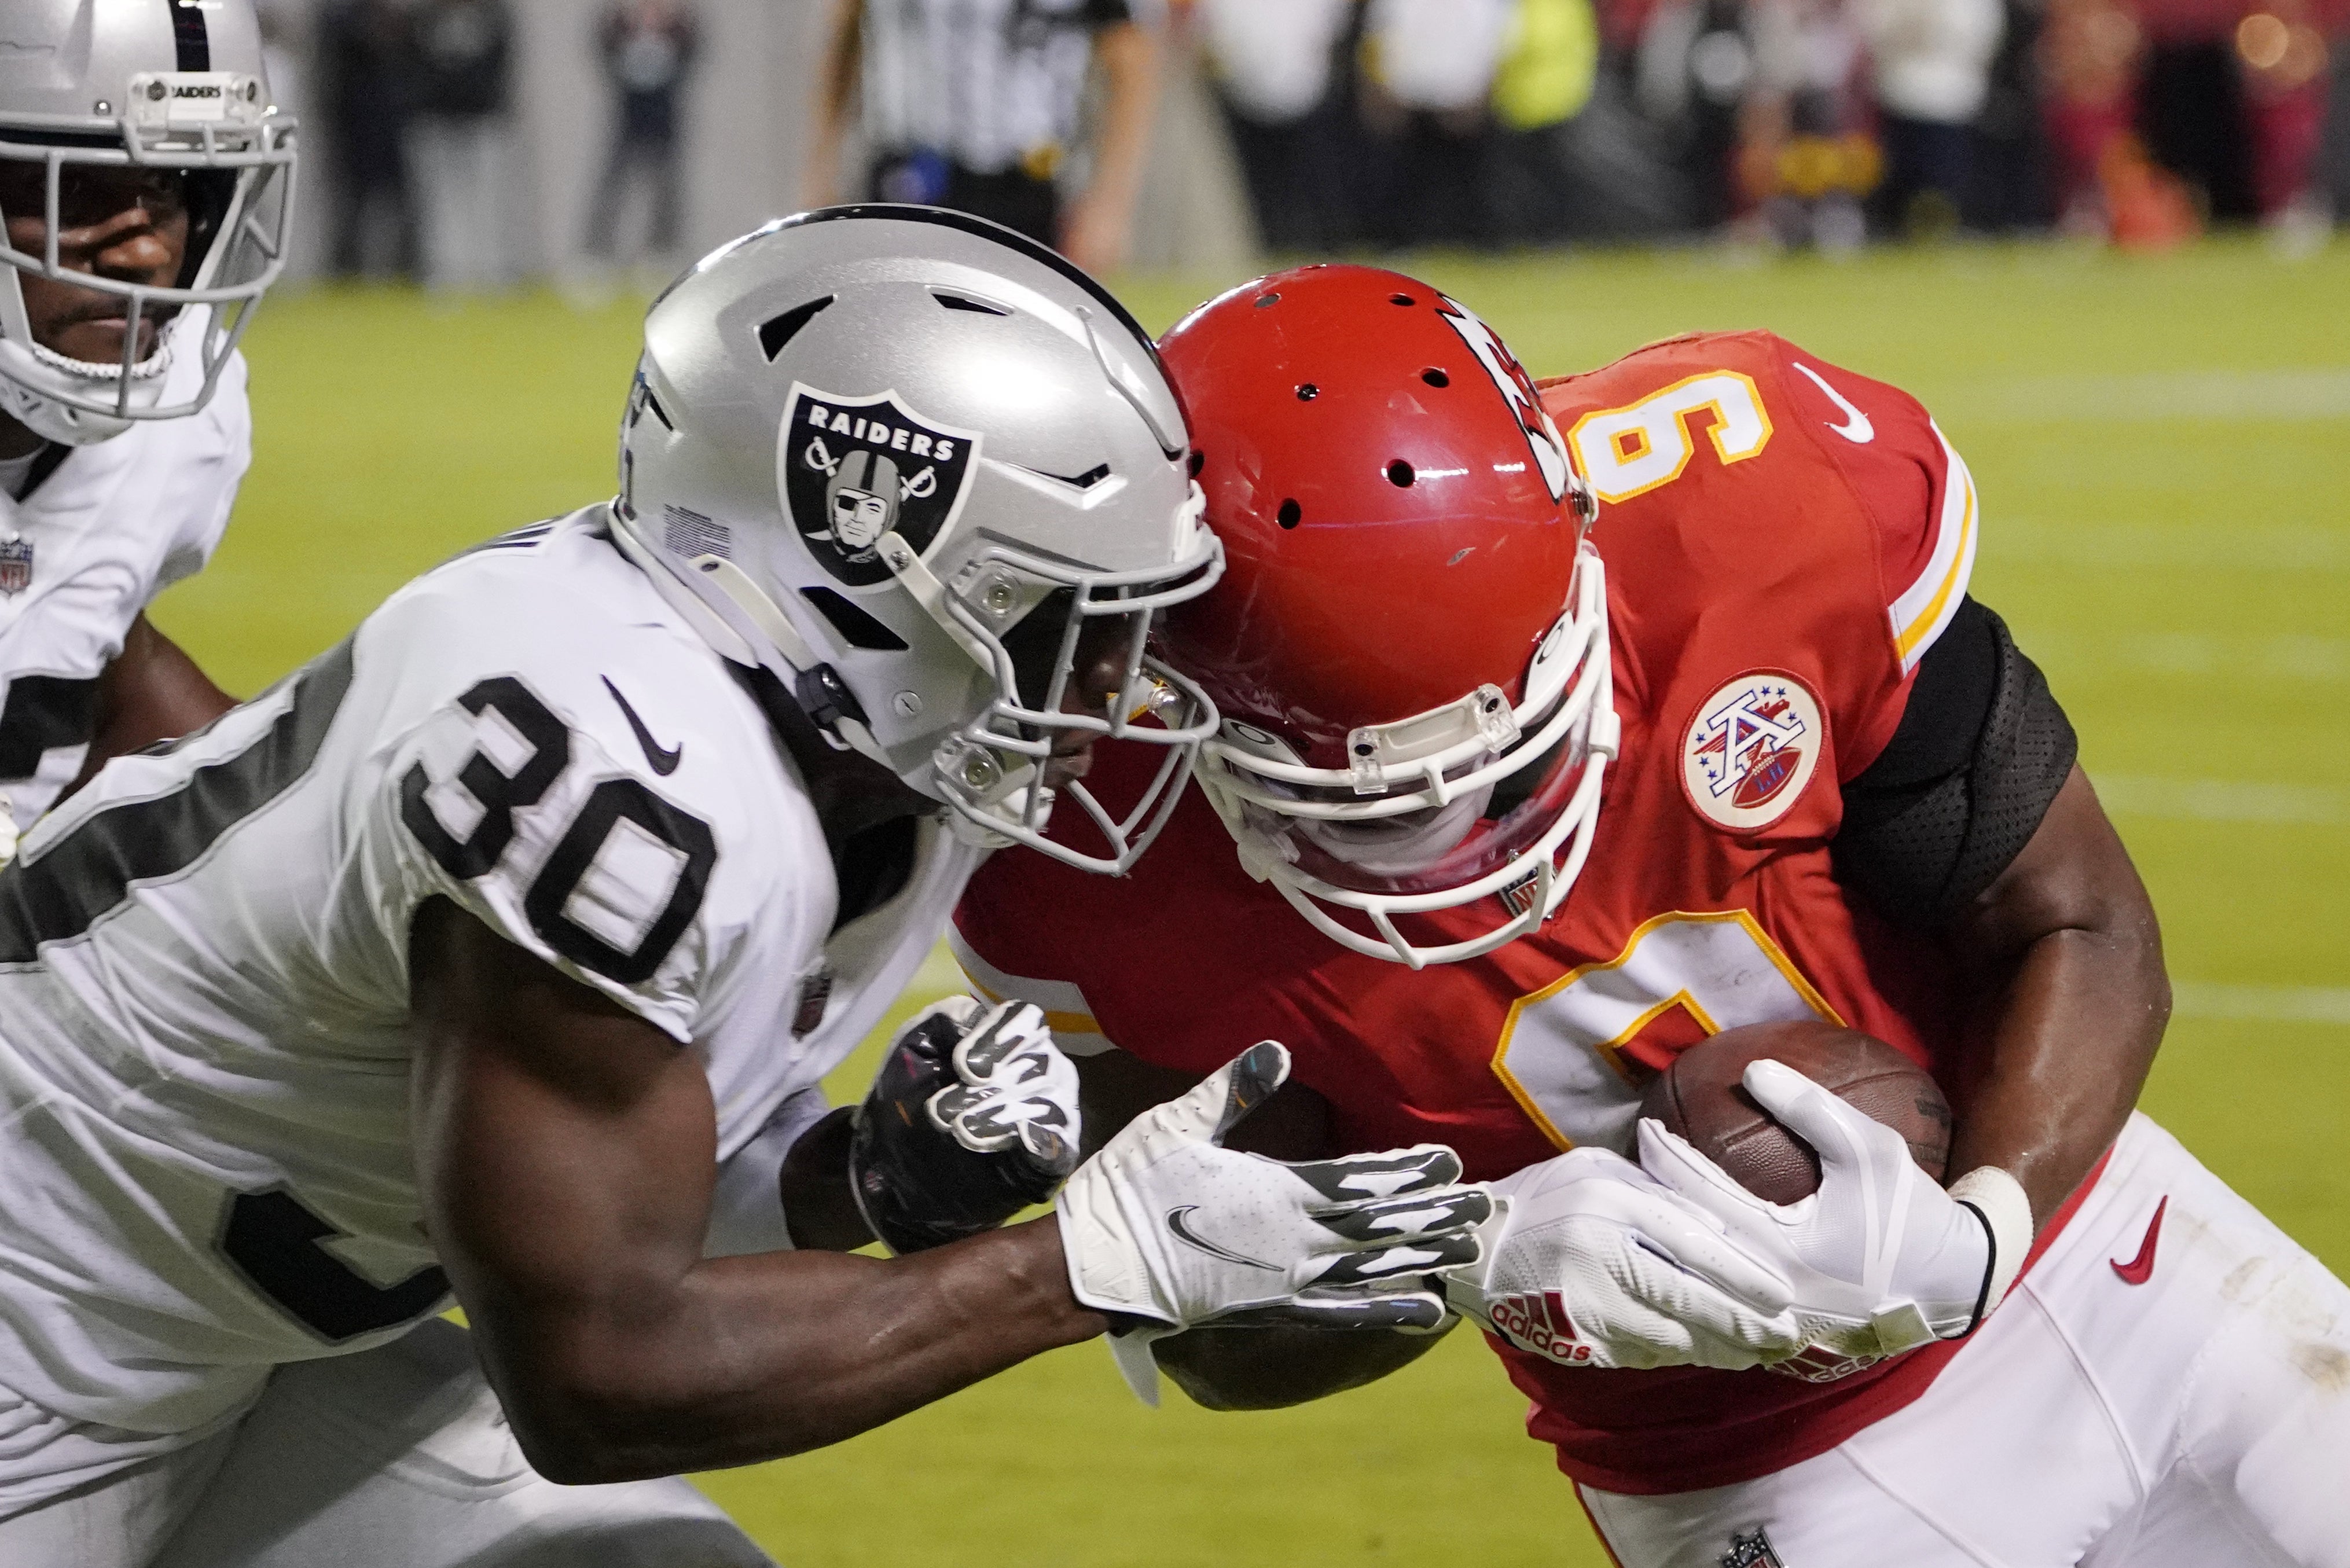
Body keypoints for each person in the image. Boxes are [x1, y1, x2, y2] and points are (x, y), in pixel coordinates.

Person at [0, 211, 1490, 1565]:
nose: (1113, 686)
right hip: (36, 1336)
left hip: (219, 1340)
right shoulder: (612, 766)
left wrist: (866, 1177)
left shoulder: (841, 742)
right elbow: (599, 1378)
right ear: (854, 547)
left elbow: (610, 1188)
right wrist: (1085, 1264)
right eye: (1061, 614)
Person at [953, 263, 2350, 1566]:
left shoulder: (1746, 511)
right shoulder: (1082, 850)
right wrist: (1469, 1253)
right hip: (1758, 1475)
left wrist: (1979, 1230)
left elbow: (2082, 921)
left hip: (2105, 1249)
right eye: (1364, 801)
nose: (1459, 840)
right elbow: (1221, 1322)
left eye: (1500, 760)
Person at [0, 0, 297, 871]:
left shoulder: (185, 431)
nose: (142, 256)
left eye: (166, 191)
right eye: (80, 189)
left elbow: (95, 671)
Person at [804, 0, 1161, 274]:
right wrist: (820, 167)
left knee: (1012, 340)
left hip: (1024, 183)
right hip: (907, 172)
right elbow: (845, 34)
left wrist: (1109, 206)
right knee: (897, 331)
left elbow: (1129, 61)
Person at [407, 0, 516, 292]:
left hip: (482, 117)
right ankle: (445, 270)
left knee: (489, 200)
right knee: (438, 202)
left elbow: (500, 64)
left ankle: (493, 270)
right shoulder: (425, 16)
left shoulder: (492, 13)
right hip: (435, 117)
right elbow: (414, 65)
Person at [583, 0, 700, 269]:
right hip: (627, 121)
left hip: (664, 121)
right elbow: (603, 50)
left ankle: (662, 249)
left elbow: (692, 53)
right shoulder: (620, 26)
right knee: (612, 187)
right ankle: (597, 253)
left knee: (666, 190)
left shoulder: (678, 28)